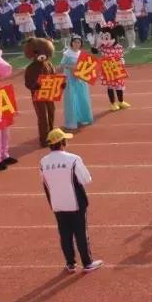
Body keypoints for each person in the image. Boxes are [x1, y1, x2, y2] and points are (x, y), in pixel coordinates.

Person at [39, 128, 103, 273]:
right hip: (75, 202)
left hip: (56, 203)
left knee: (64, 234)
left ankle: (70, 263)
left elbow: (44, 182)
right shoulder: (73, 159)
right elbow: (86, 179)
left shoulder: (43, 162)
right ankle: (87, 263)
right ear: (62, 142)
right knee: (80, 232)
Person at [61, 36, 93, 130]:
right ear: (71, 43)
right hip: (70, 79)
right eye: (75, 42)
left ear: (81, 44)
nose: (76, 44)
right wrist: (72, 68)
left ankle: (83, 118)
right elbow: (62, 64)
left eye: (78, 42)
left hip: (80, 79)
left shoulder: (81, 54)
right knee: (71, 99)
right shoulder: (67, 53)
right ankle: (71, 122)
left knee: (82, 97)